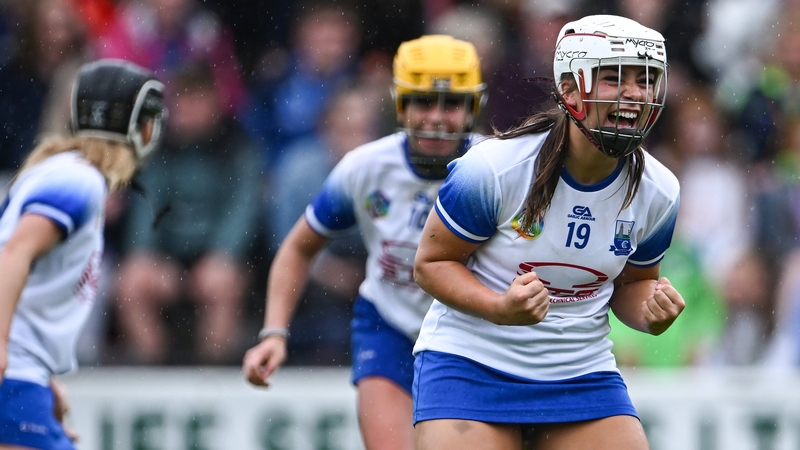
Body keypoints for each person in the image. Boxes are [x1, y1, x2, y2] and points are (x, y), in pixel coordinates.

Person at [412, 15, 684, 449]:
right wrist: (500, 307)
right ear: (571, 88)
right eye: (615, 77)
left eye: (647, 79)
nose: (636, 94)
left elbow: (632, 285)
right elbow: (431, 264)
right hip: (471, 366)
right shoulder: (493, 169)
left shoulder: (661, 190)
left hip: (580, 375)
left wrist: (651, 313)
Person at [243, 34, 486, 450]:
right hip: (387, 325)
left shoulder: (497, 170)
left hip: (474, 335)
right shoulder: (365, 168)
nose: (437, 117)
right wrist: (274, 332)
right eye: (423, 102)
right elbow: (300, 246)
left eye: (452, 104)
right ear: (400, 104)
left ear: (473, 107)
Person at [0, 59, 165, 450]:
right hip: (15, 379)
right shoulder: (81, 181)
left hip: (26, 376)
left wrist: (42, 374)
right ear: (141, 128)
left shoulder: (59, 170)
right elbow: (14, 254)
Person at [113, 62, 261, 366]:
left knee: (220, 284)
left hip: (220, 258)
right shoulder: (156, 149)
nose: (184, 111)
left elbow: (242, 212)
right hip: (166, 258)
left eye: (194, 102)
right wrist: (146, 255)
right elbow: (146, 208)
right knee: (131, 282)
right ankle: (152, 375)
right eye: (179, 103)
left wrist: (222, 255)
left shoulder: (238, 148)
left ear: (214, 104)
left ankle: (211, 378)